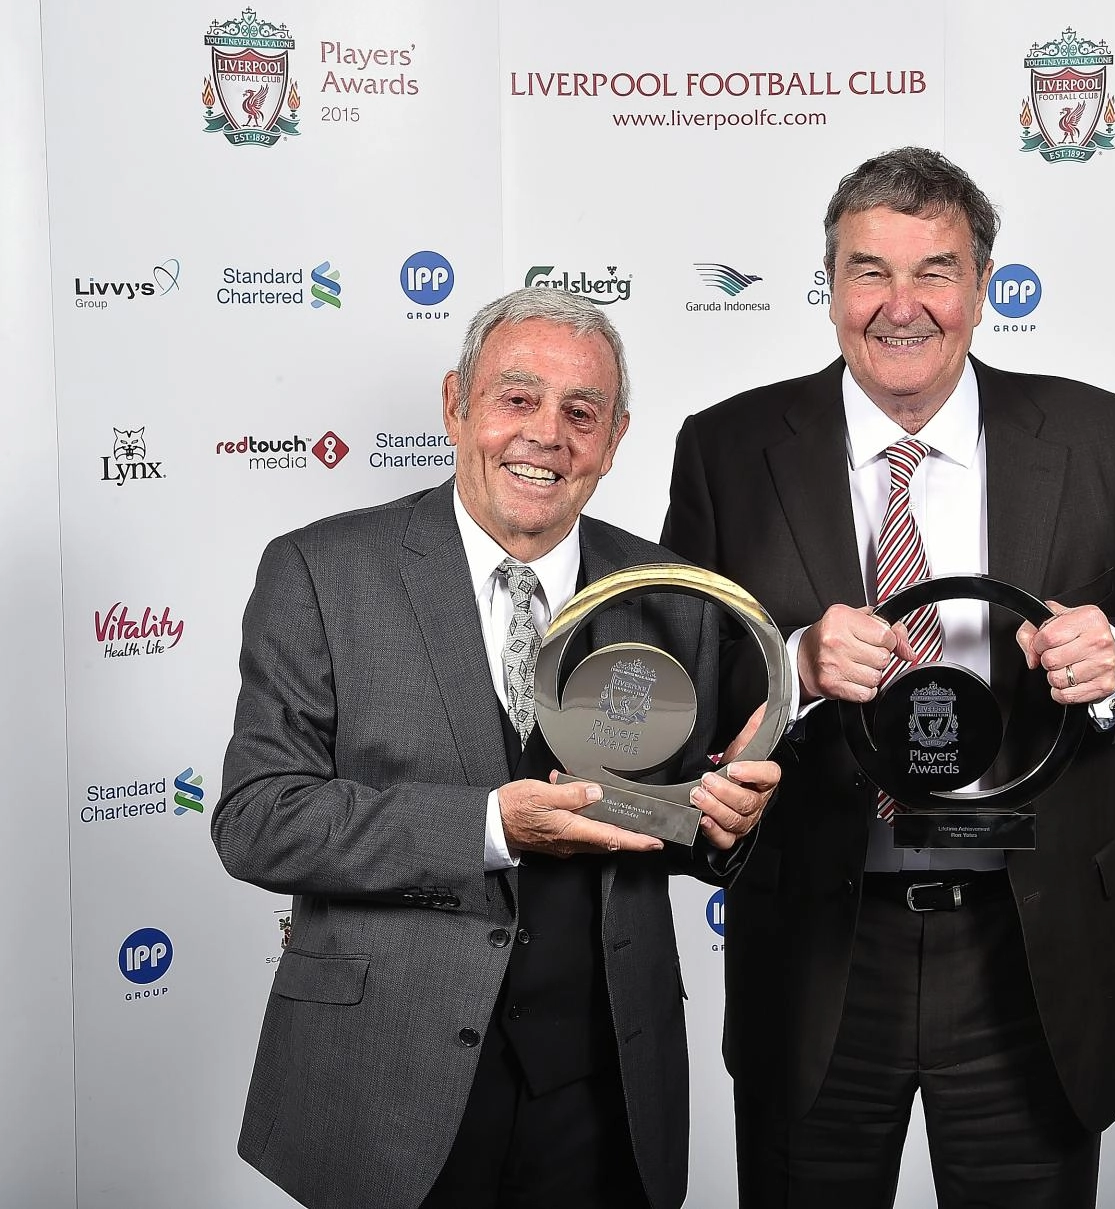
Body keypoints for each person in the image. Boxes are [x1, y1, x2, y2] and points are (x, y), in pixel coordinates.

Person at [661, 147, 1115, 1208]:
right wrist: (792, 664)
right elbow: (678, 686)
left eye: (936, 270)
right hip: (821, 942)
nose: (902, 304)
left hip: (1029, 945)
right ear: (829, 287)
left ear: (982, 286)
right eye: (869, 270)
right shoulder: (729, 449)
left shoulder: (1101, 437)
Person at [212, 286, 780, 1209]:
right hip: (386, 1087)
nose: (546, 436)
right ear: (456, 404)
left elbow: (690, 822)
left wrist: (726, 823)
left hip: (603, 1097)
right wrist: (488, 826)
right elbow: (256, 821)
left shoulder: (675, 597)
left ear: (615, 437)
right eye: (517, 399)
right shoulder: (321, 571)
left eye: (580, 413)